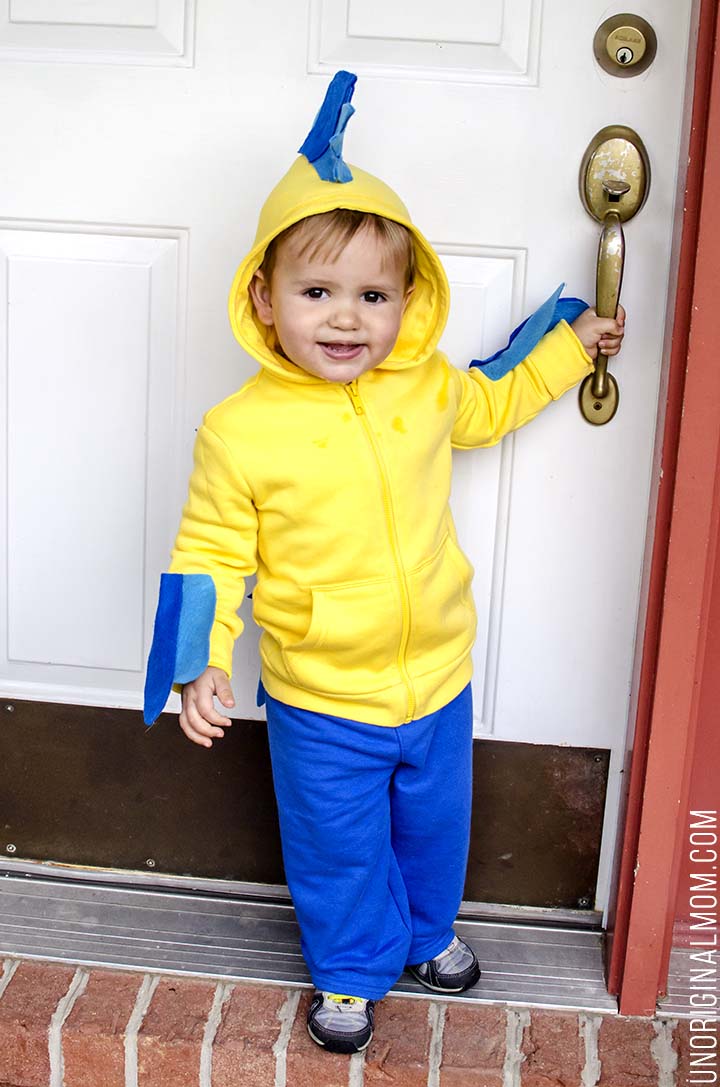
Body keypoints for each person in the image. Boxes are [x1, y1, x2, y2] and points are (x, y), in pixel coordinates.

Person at [143, 72, 625, 1054]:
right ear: (264, 301)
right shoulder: (242, 432)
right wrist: (201, 661)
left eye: (374, 295)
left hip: (438, 675)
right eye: (316, 292)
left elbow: (491, 400)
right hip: (325, 695)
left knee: (435, 827)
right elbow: (210, 552)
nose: (347, 318)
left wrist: (569, 349)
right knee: (338, 846)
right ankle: (353, 971)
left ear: (410, 300)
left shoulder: (424, 388)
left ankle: (428, 930)